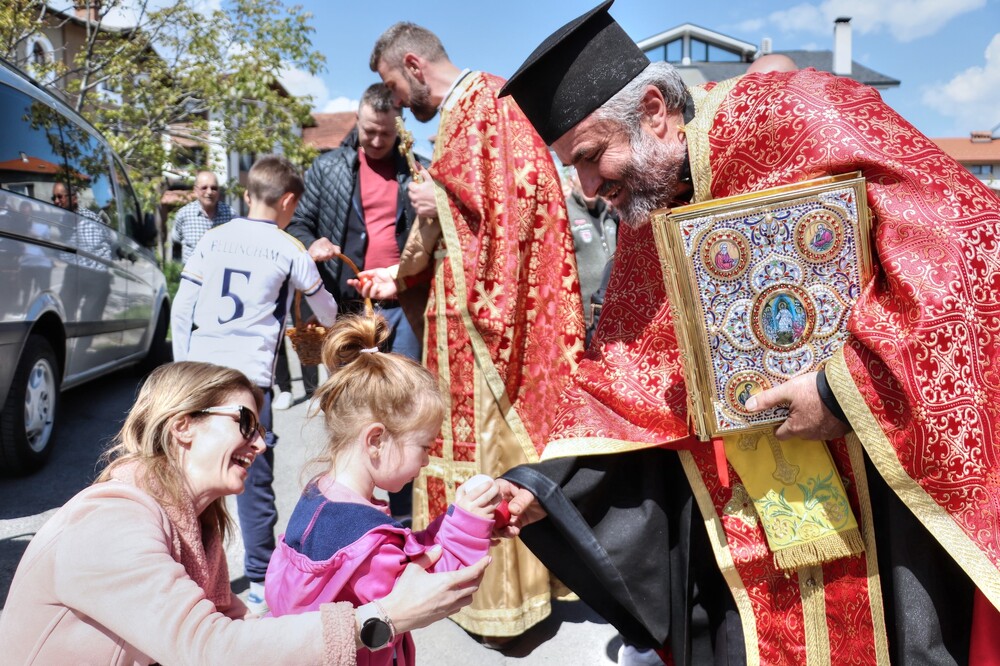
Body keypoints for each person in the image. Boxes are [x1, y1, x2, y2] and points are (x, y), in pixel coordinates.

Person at [495, 1, 1000, 664]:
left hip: (879, 505)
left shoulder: (804, 113)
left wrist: (841, 391)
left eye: (591, 157)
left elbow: (969, 245)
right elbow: (628, 376)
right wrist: (538, 485)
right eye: (574, 169)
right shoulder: (649, 206)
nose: (589, 187)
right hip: (746, 532)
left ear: (653, 112)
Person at [0, 361, 491, 663]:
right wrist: (380, 619)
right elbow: (211, 649)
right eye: (246, 422)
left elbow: (236, 630)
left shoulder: (196, 522)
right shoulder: (111, 524)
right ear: (183, 426)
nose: (261, 441)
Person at [356, 21, 586, 642]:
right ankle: (460, 586)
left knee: (489, 453)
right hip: (453, 324)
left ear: (412, 63)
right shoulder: (464, 116)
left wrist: (441, 203)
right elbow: (456, 210)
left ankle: (501, 604)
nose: (397, 102)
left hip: (487, 328)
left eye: (392, 86)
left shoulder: (487, 103)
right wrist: (394, 272)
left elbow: (515, 207)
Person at [265, 314, 500, 665]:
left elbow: (404, 557)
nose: (427, 460)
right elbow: (432, 588)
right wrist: (468, 525)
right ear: (375, 440)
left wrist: (448, 525)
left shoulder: (320, 496)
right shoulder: (366, 542)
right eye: (423, 446)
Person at [171, 155, 340, 614]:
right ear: (287, 201)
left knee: (188, 475)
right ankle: (262, 579)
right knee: (251, 480)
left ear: (248, 195)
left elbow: (183, 307)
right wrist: (341, 326)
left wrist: (178, 368)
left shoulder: (213, 238)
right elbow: (324, 309)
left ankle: (182, 573)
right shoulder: (289, 249)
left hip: (199, 376)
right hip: (248, 384)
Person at [286, 83, 427, 519]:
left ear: (397, 129)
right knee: (348, 413)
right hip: (346, 311)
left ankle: (401, 516)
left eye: (385, 133)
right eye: (369, 132)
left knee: (403, 409)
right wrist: (313, 244)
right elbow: (299, 225)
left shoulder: (415, 171)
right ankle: (351, 511)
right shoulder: (327, 168)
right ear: (358, 122)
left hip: (399, 307)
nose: (377, 141)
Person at [564, 165, 618, 346]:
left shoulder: (611, 213)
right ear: (572, 180)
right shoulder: (565, 214)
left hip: (615, 311)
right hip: (587, 319)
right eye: (581, 177)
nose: (590, 183)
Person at [171, 170, 234, 264]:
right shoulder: (184, 215)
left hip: (219, 275)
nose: (209, 192)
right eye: (204, 188)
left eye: (214, 188)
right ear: (195, 190)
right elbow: (176, 240)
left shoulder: (231, 215)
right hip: (192, 275)